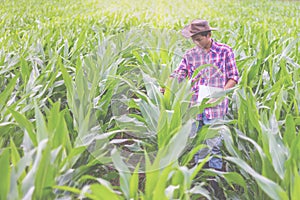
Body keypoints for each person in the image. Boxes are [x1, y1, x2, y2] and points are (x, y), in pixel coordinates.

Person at [163, 19, 239, 170]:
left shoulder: (225, 51)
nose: (196, 43)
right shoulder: (190, 54)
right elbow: (180, 73)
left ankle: (215, 178)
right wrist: (167, 84)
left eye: (199, 39)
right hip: (195, 105)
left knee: (214, 144)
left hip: (216, 105)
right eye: (194, 40)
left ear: (209, 35)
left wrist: (219, 94)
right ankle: (200, 174)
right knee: (197, 143)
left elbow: (233, 77)